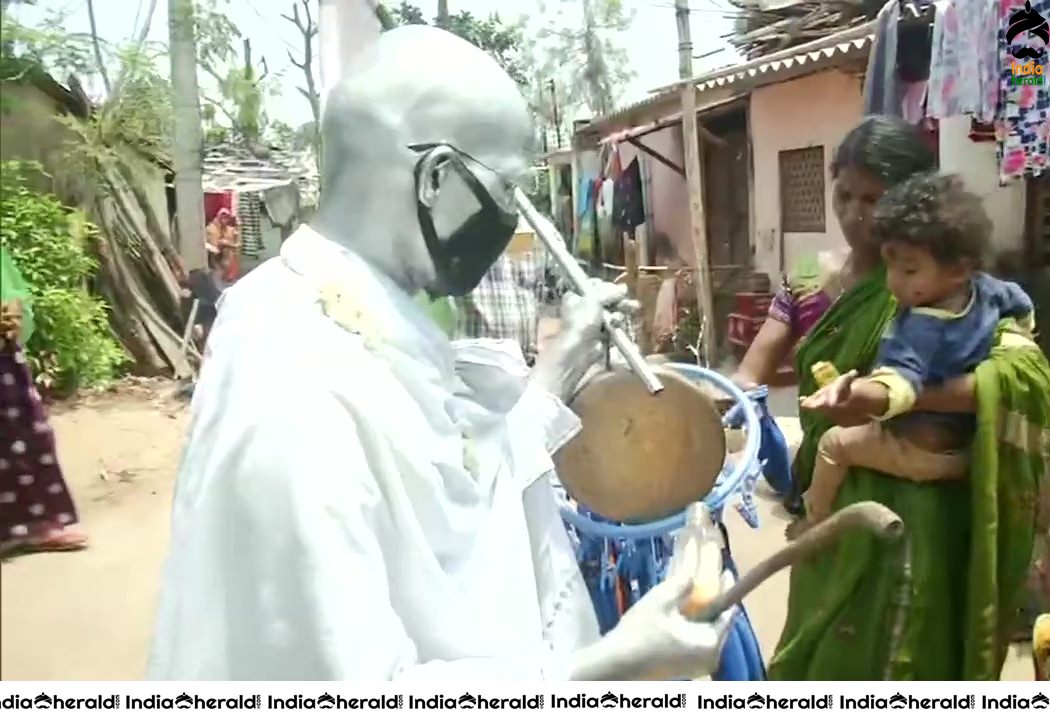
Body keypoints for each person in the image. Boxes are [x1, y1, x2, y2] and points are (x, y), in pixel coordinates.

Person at [147, 26, 735, 681]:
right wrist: (610, 667)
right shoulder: (295, 393)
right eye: (507, 194)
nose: (513, 219)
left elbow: (448, 491)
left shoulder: (341, 308)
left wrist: (558, 369)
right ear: (436, 179)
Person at [742, 116, 1050, 680]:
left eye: (872, 198)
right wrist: (720, 408)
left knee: (905, 650)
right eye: (844, 194)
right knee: (822, 642)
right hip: (831, 492)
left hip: (921, 505)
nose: (855, 212)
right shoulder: (810, 275)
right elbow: (755, 364)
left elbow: (1021, 374)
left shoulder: (958, 291)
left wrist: (891, 400)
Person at [790, 173, 1034, 538]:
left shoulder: (918, 327)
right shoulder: (988, 290)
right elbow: (1022, 304)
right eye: (890, 266)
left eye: (908, 270)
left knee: (834, 444)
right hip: (974, 448)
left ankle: (814, 518)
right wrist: (1023, 333)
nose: (893, 282)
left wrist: (854, 393)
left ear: (957, 269)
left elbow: (898, 385)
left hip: (922, 454)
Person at [0, 247, 87, 556]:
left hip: (5, 356)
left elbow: (13, 289)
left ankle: (36, 525)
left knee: (29, 435)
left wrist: (13, 311)